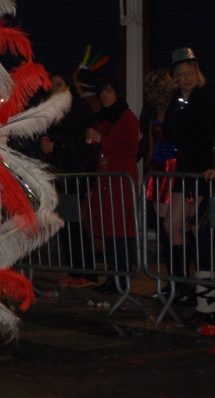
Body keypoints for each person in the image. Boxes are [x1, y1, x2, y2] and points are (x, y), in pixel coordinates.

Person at [165, 48, 215, 305]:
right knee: (172, 225)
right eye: (182, 74)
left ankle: (203, 285)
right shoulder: (175, 102)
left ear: (198, 75)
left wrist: (212, 166)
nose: (187, 78)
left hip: (203, 173)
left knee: (200, 228)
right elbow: (169, 136)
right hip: (183, 171)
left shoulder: (205, 100)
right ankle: (180, 283)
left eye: (191, 73)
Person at [41, 73, 97, 287]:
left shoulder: (80, 107)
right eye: (52, 86)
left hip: (77, 170)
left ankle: (87, 271)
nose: (55, 88)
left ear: (69, 87)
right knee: (65, 220)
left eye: (59, 84)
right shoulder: (52, 111)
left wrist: (58, 146)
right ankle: (74, 269)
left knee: (76, 222)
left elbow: (82, 143)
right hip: (60, 171)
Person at [85, 76, 139, 294]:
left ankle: (122, 277)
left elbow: (132, 150)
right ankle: (112, 275)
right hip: (105, 181)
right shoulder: (100, 119)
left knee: (120, 229)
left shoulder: (127, 117)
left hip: (121, 182)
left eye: (108, 91)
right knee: (108, 230)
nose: (104, 96)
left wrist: (102, 140)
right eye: (102, 92)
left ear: (117, 94)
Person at [142, 69, 177, 292]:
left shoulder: (176, 109)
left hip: (172, 165)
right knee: (162, 225)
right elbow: (150, 140)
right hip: (157, 165)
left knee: (170, 226)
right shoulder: (153, 110)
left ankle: (176, 277)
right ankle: (171, 278)